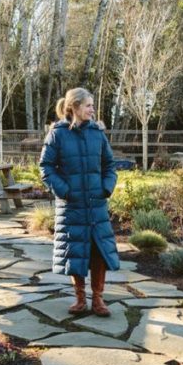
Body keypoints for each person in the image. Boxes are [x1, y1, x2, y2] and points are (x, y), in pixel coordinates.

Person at [39, 87, 120, 316]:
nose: (92, 109)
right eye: (88, 105)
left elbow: (109, 166)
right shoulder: (57, 134)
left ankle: (98, 299)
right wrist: (65, 191)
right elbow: (46, 167)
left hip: (96, 204)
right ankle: (80, 298)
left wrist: (106, 187)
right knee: (76, 250)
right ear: (74, 107)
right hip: (72, 205)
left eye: (92, 105)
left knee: (98, 251)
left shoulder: (97, 134)